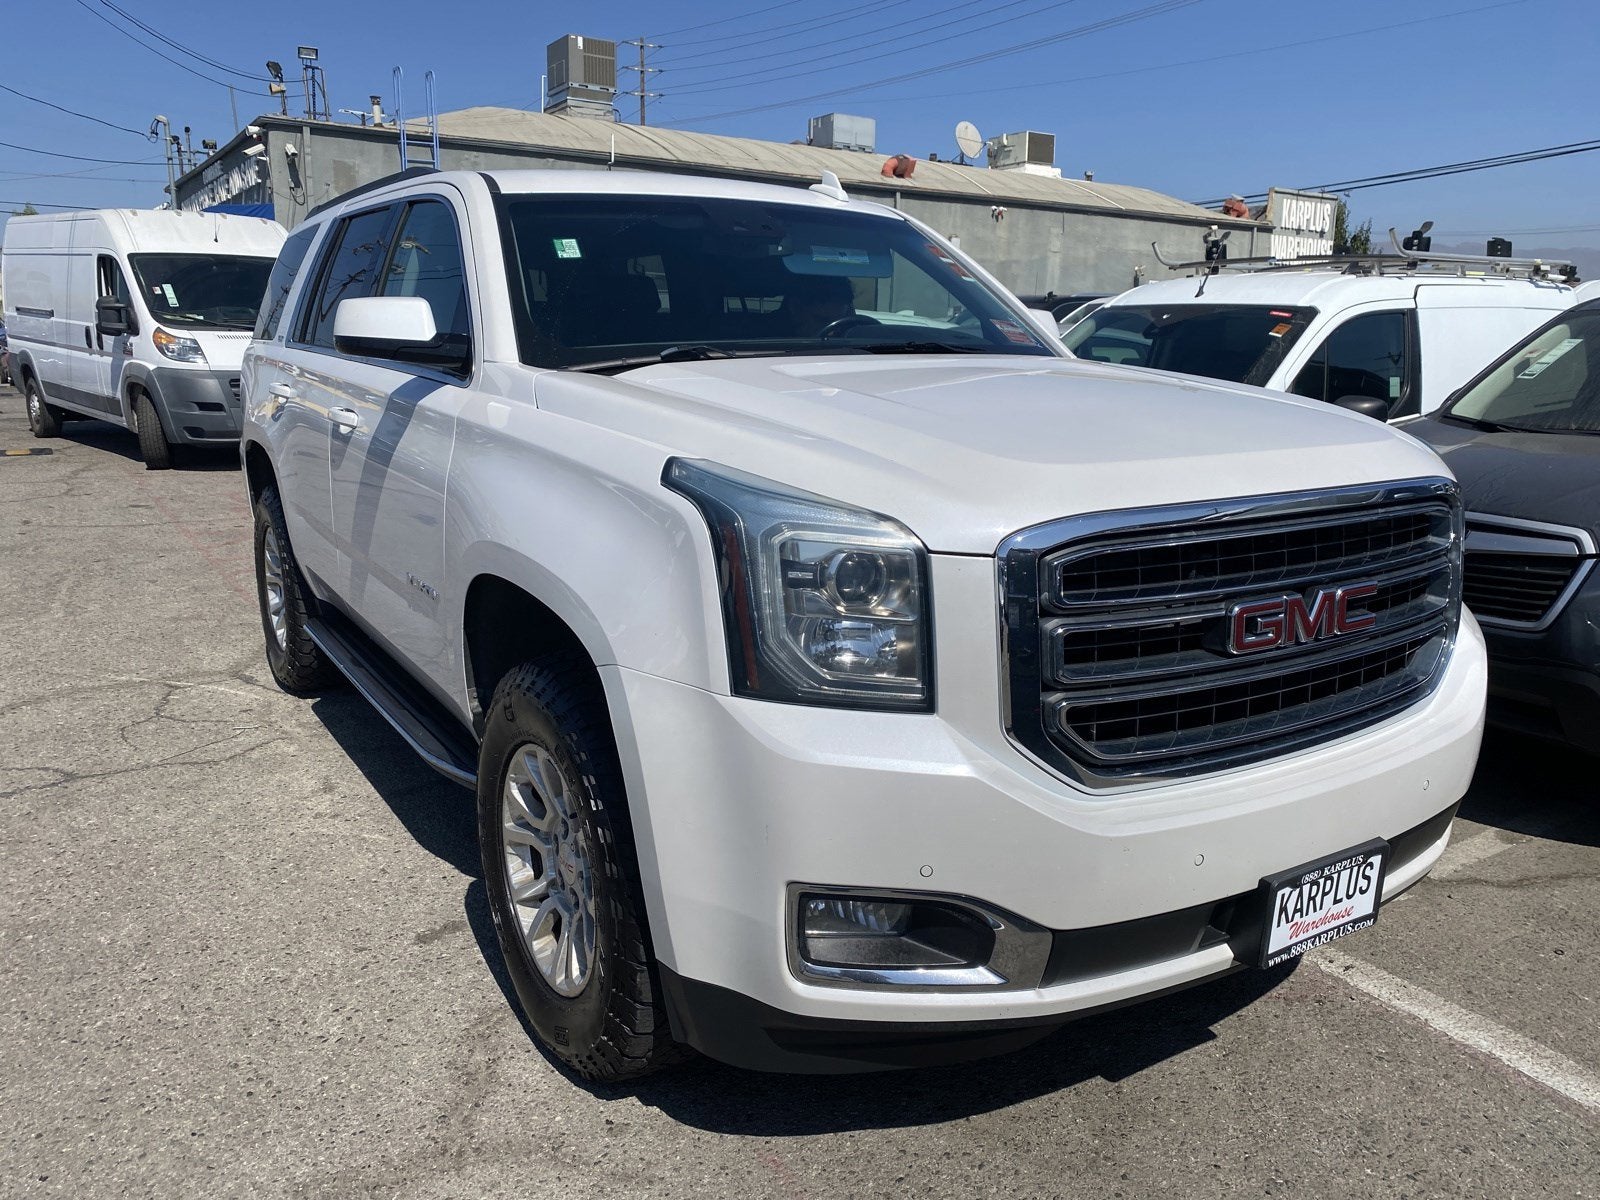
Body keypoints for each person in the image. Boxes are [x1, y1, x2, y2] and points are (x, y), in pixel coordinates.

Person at [781, 273, 855, 336]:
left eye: (841, 321)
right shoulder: (772, 341)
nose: (833, 332)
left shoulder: (854, 336)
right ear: (795, 308)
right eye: (822, 320)